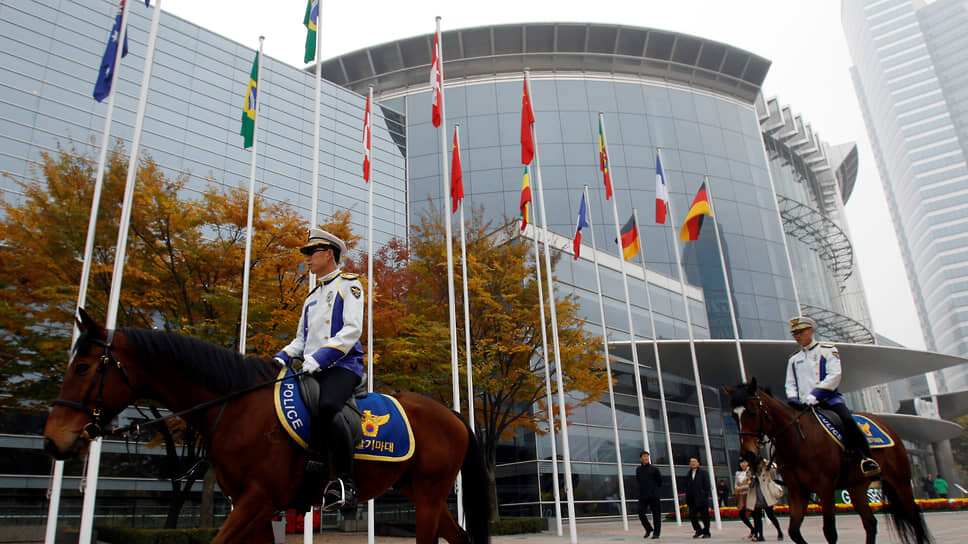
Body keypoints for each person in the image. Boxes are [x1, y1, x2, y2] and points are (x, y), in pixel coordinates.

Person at [274, 228, 365, 512]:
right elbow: (301, 340)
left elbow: (352, 330)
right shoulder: (311, 297)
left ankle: (345, 485)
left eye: (311, 254)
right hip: (312, 367)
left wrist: (321, 358)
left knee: (327, 406)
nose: (307, 260)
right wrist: (280, 358)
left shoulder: (350, 285)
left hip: (343, 366)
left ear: (328, 254)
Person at [784, 316, 881, 477]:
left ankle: (866, 458)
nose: (797, 336)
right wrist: (793, 400)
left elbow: (834, 375)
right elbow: (790, 383)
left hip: (828, 401)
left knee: (848, 421)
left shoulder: (827, 350)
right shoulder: (794, 360)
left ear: (811, 331)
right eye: (794, 333)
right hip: (803, 407)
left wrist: (815, 396)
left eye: (800, 332)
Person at [749, 458, 783, 541]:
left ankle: (779, 531)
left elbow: (774, 468)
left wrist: (767, 462)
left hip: (766, 497)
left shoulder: (766, 470)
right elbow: (751, 485)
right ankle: (760, 535)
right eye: (759, 464)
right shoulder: (751, 472)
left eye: (761, 463)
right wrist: (752, 477)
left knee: (771, 516)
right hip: (756, 498)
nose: (761, 465)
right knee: (757, 518)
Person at [636, 451, 662, 539]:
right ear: (641, 458)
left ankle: (656, 533)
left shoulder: (654, 469)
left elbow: (659, 481)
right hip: (643, 496)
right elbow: (639, 481)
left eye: (647, 456)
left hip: (654, 496)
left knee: (656, 515)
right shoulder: (638, 469)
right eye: (644, 456)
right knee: (640, 512)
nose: (646, 458)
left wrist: (654, 490)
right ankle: (648, 529)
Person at [684, 457, 711, 539]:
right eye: (691, 462)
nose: (693, 463)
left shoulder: (703, 472)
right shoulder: (688, 474)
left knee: (705, 516)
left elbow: (706, 485)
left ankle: (706, 532)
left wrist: (704, 494)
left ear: (698, 463)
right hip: (692, 499)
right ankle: (698, 530)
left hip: (701, 499)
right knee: (692, 516)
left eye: (694, 462)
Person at [734, 459, 756, 539]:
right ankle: (752, 529)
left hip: (749, 495)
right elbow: (736, 485)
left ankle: (756, 531)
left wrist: (740, 488)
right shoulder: (737, 473)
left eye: (745, 462)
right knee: (742, 515)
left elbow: (750, 485)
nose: (743, 464)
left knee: (754, 514)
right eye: (741, 462)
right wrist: (739, 489)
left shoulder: (750, 472)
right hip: (741, 496)